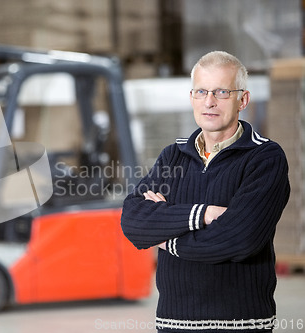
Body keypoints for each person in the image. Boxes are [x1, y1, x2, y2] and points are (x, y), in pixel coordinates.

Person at [121, 51, 290, 333]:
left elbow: (240, 239)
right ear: (192, 98)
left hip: (240, 325)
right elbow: (133, 220)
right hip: (173, 324)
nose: (209, 102)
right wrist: (205, 214)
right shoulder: (173, 156)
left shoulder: (265, 158)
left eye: (222, 92)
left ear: (242, 100)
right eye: (201, 91)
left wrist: (167, 239)